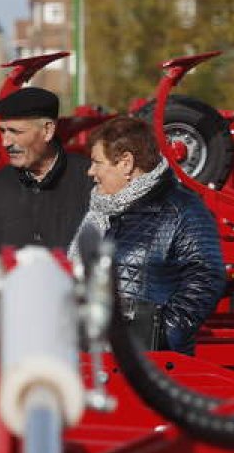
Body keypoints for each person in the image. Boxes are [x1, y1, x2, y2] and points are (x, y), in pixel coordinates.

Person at [68, 116, 225, 355]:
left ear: (126, 164)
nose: (91, 172)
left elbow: (205, 280)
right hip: (100, 357)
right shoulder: (102, 209)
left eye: (97, 162)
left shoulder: (181, 209)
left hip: (150, 364)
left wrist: (159, 334)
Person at [0, 87, 93, 346]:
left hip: (86, 354)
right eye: (2, 132)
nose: (6, 142)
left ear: (47, 131)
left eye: (16, 132)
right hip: (16, 351)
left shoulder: (92, 182)